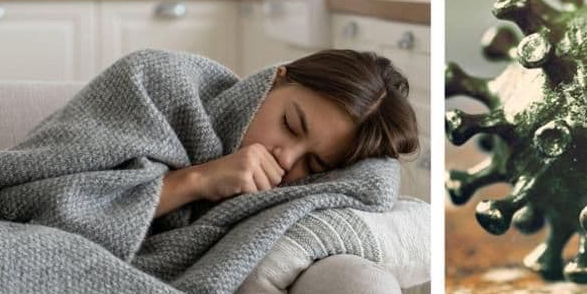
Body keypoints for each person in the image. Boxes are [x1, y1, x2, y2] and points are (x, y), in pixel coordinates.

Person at [154, 48, 420, 218]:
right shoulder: (161, 83)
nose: (286, 160)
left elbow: (376, 184)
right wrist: (198, 180)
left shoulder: (275, 202)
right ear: (276, 80)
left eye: (314, 163)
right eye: (290, 124)